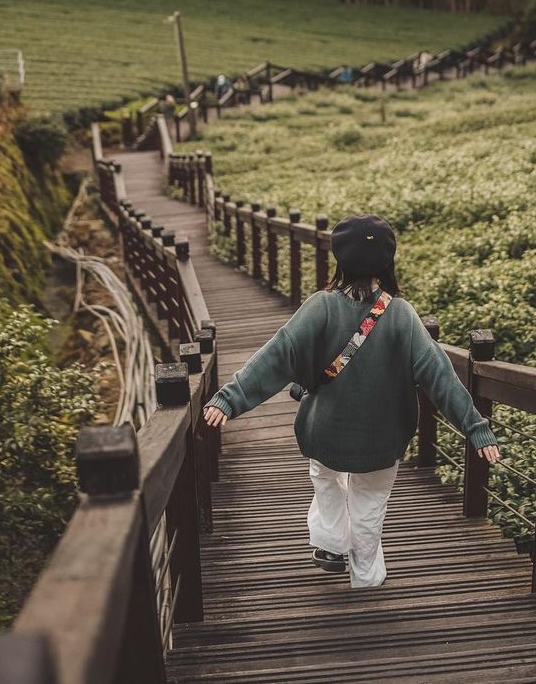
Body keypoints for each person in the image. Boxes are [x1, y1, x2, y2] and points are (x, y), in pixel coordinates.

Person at [203, 213, 500, 588]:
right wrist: (476, 428)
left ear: (339, 260)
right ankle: (366, 578)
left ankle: (329, 543)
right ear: (388, 262)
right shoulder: (402, 316)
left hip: (325, 433)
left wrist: (229, 399)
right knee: (369, 508)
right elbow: (439, 375)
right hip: (381, 441)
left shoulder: (321, 306)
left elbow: (278, 354)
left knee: (325, 478)